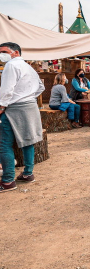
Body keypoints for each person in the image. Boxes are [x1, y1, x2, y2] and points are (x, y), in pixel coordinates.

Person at [0, 42, 45, 192]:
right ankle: (28, 174)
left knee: (4, 144)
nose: (2, 54)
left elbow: (6, 90)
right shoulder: (28, 66)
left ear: (16, 53)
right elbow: (41, 87)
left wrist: (2, 106)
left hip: (15, 108)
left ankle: (7, 181)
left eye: (4, 51)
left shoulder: (11, 65)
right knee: (28, 141)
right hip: (30, 106)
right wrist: (28, 96)